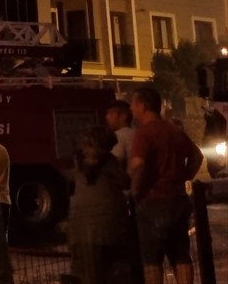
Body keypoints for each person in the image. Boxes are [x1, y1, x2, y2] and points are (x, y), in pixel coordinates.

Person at [128, 86, 203, 284]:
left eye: (133, 104)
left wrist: (135, 191)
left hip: (153, 201)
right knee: (180, 253)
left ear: (142, 106)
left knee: (152, 258)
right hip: (178, 200)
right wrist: (185, 176)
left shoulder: (143, 134)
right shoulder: (174, 130)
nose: (132, 109)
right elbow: (197, 156)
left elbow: (138, 165)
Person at [68, 124, 132, 284]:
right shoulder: (111, 162)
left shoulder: (78, 162)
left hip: (80, 229)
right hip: (110, 227)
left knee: (85, 274)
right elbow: (125, 182)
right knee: (112, 273)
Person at [106, 99, 135, 166]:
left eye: (111, 113)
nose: (107, 117)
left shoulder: (120, 135)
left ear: (123, 116)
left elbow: (115, 163)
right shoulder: (135, 132)